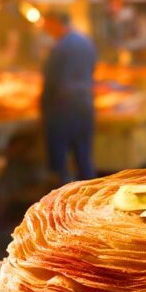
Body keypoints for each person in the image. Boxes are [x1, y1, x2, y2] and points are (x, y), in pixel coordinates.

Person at [39, 10, 97, 185]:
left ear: (56, 23)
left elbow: (51, 83)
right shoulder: (86, 42)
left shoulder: (59, 48)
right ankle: (91, 195)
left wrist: (43, 109)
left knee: (60, 164)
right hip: (85, 105)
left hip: (61, 108)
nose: (46, 30)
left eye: (47, 25)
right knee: (84, 158)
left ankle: (63, 197)